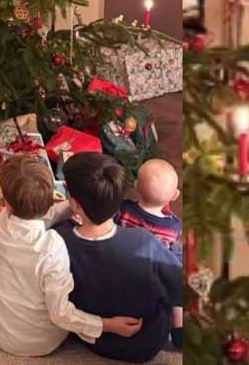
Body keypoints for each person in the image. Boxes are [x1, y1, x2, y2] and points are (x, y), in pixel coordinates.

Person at [0, 154, 144, 357]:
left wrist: (76, 205)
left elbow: (39, 217)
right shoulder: (52, 245)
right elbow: (60, 314)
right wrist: (107, 325)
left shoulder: (3, 219)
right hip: (40, 342)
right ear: (51, 196)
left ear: (8, 204)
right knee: (55, 292)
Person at [56, 153, 184, 362]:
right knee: (174, 259)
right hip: (146, 343)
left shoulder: (59, 240)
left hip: (95, 340)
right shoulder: (145, 242)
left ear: (75, 204)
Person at [117, 158, 183, 263]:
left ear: (136, 186)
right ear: (175, 196)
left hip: (124, 258)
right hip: (154, 267)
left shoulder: (124, 209)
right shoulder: (174, 226)